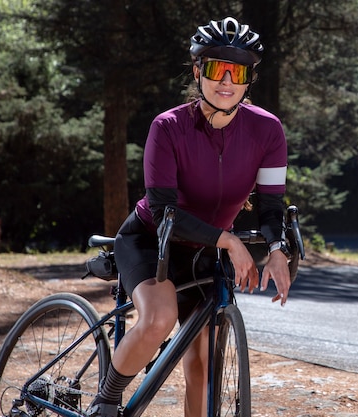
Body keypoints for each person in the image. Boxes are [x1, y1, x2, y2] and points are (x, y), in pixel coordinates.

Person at [87, 16, 292, 417]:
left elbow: (270, 205)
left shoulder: (268, 131)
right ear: (199, 71)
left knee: (203, 365)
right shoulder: (168, 127)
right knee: (158, 319)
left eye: (239, 71)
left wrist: (278, 248)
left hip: (205, 252)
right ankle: (107, 400)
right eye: (217, 68)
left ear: (250, 78)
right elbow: (165, 212)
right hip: (151, 240)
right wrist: (229, 240)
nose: (226, 81)